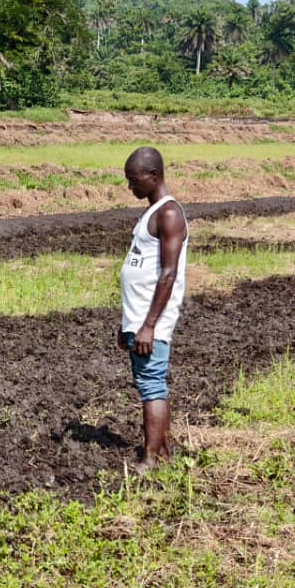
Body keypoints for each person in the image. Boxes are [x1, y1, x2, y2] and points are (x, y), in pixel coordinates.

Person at [118, 146, 188, 472]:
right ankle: (163, 453)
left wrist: (148, 325)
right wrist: (128, 324)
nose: (131, 187)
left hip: (151, 322)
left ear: (154, 176)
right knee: (148, 383)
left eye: (134, 180)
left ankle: (152, 458)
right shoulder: (153, 212)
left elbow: (168, 273)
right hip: (139, 320)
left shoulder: (169, 213)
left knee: (151, 385)